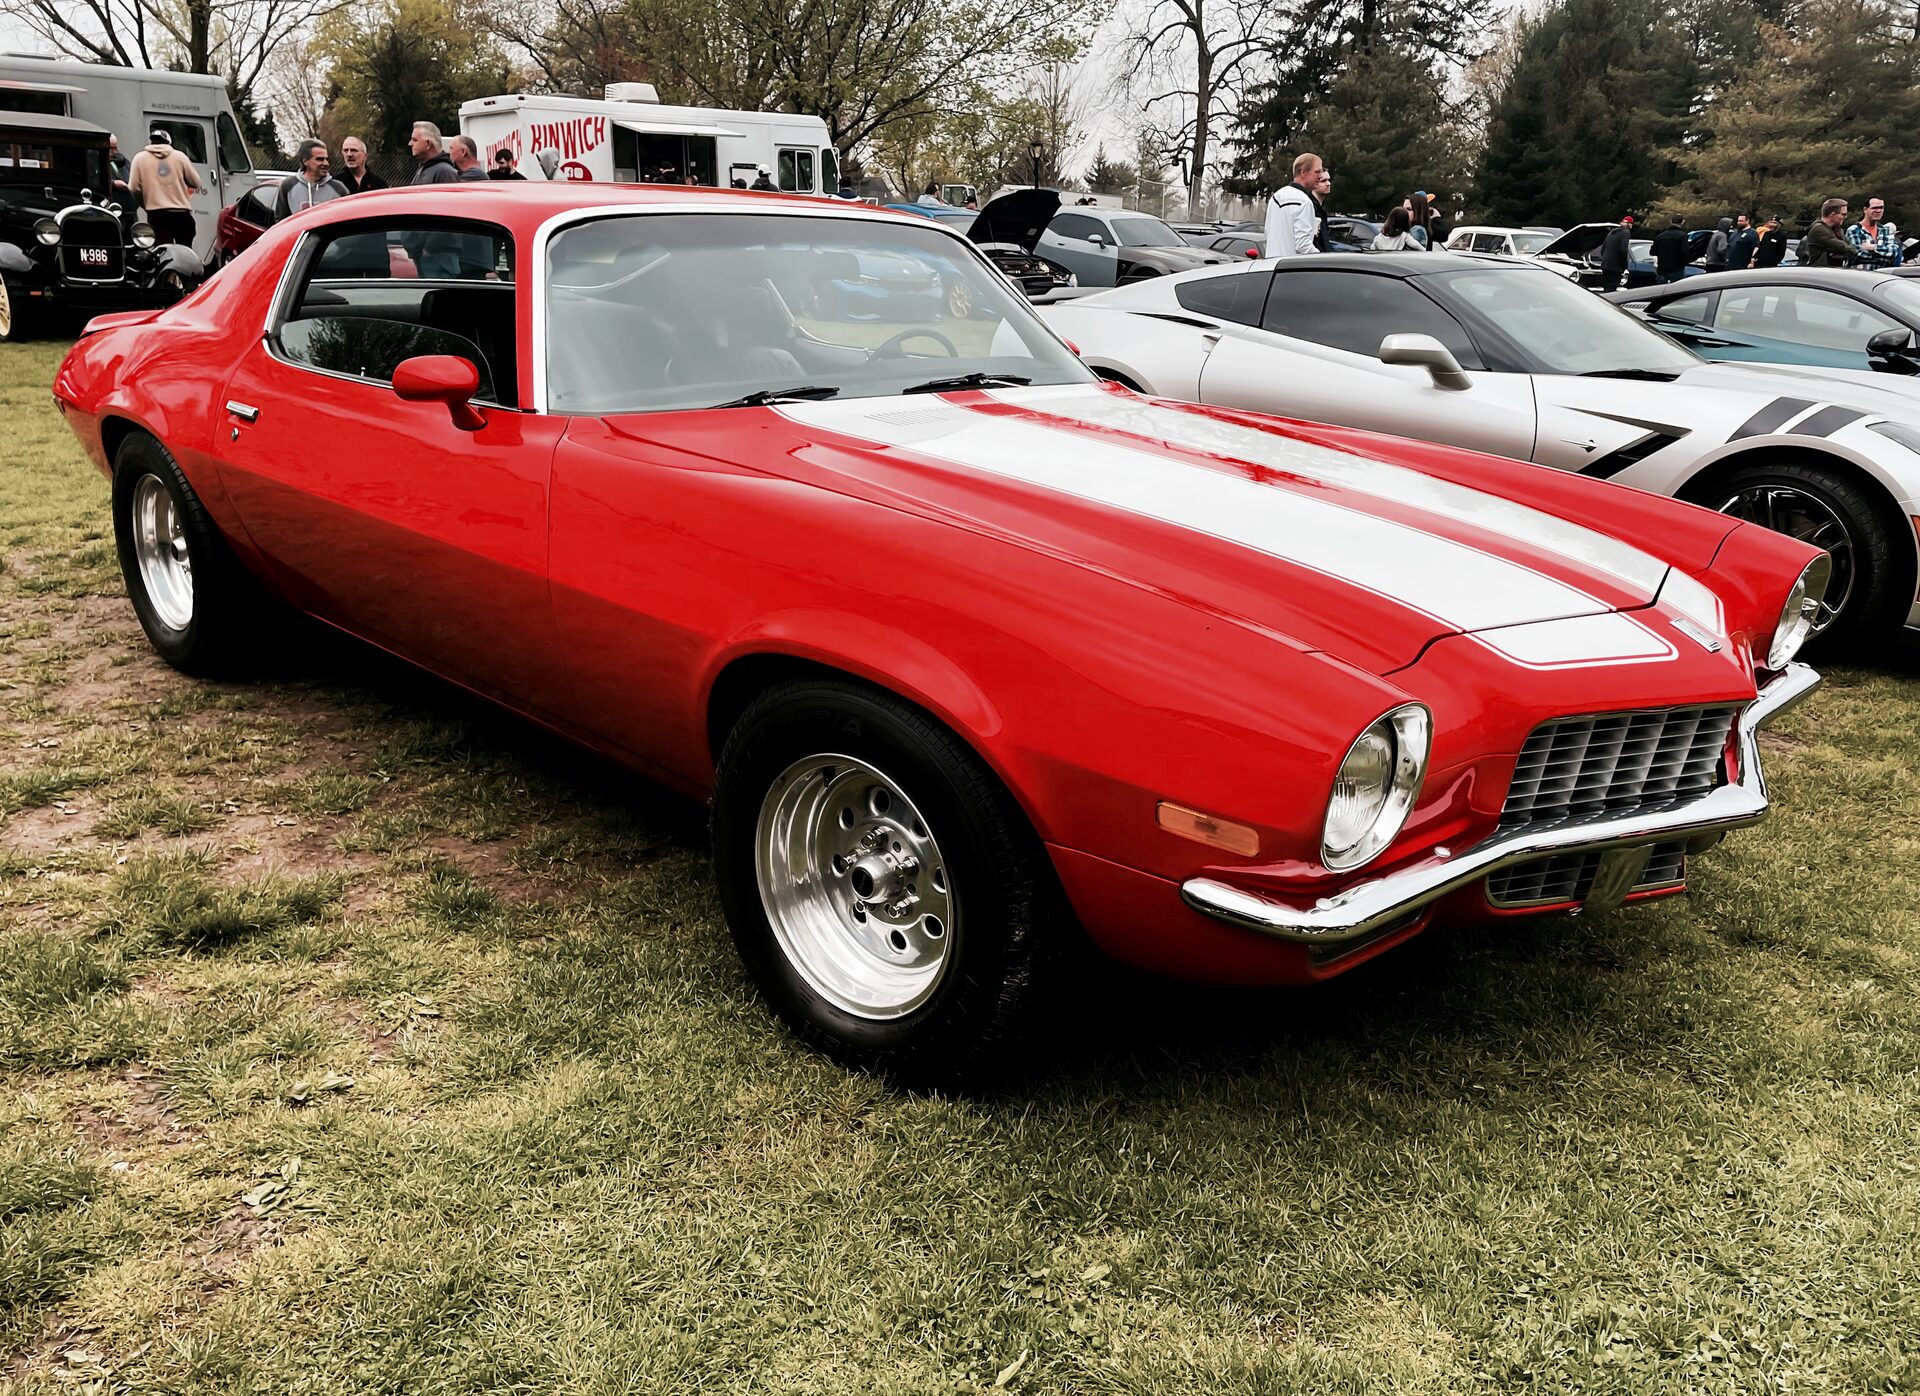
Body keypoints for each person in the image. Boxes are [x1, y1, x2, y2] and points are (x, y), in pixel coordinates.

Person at [126, 127, 201, 247]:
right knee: (185, 251)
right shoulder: (180, 157)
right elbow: (196, 182)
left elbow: (132, 188)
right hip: (181, 213)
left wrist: (144, 204)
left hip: (157, 214)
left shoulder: (139, 158)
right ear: (169, 142)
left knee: (162, 252)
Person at [1263, 152, 1323, 258]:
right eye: (1317, 172)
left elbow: (1268, 233)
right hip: (1291, 269)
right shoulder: (1304, 202)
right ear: (1303, 172)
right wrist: (1323, 259)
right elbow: (1303, 245)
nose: (1320, 177)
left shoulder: (1276, 197)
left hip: (1272, 266)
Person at [273, 139, 347, 220]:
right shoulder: (288, 185)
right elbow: (280, 221)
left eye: (326, 159)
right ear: (305, 161)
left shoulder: (339, 188)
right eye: (320, 159)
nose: (326, 163)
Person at [1847, 195, 1901, 268]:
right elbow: (1858, 255)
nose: (1878, 211)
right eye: (1874, 208)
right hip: (1861, 274)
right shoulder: (1854, 230)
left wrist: (1873, 247)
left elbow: (1894, 252)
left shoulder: (1886, 230)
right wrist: (1885, 257)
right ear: (1865, 209)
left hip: (1883, 275)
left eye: (1881, 208)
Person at [1802, 198, 1853, 268]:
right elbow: (1844, 247)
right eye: (1843, 214)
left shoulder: (1837, 230)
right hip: (1819, 272)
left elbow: (1852, 249)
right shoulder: (1818, 229)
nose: (1845, 217)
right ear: (1833, 215)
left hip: (1832, 271)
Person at [1650, 214, 1690, 282]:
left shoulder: (1660, 236)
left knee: (1661, 290)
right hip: (1677, 269)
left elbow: (1652, 252)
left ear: (1671, 221)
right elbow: (1685, 253)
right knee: (1676, 289)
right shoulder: (1682, 236)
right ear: (1682, 222)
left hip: (1662, 269)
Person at [1598, 214, 1632, 292]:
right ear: (1629, 224)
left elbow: (1603, 248)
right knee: (1612, 289)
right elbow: (1623, 250)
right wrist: (1624, 265)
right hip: (1615, 267)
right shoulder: (1626, 232)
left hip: (1605, 265)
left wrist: (1605, 259)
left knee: (1606, 288)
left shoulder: (1612, 232)